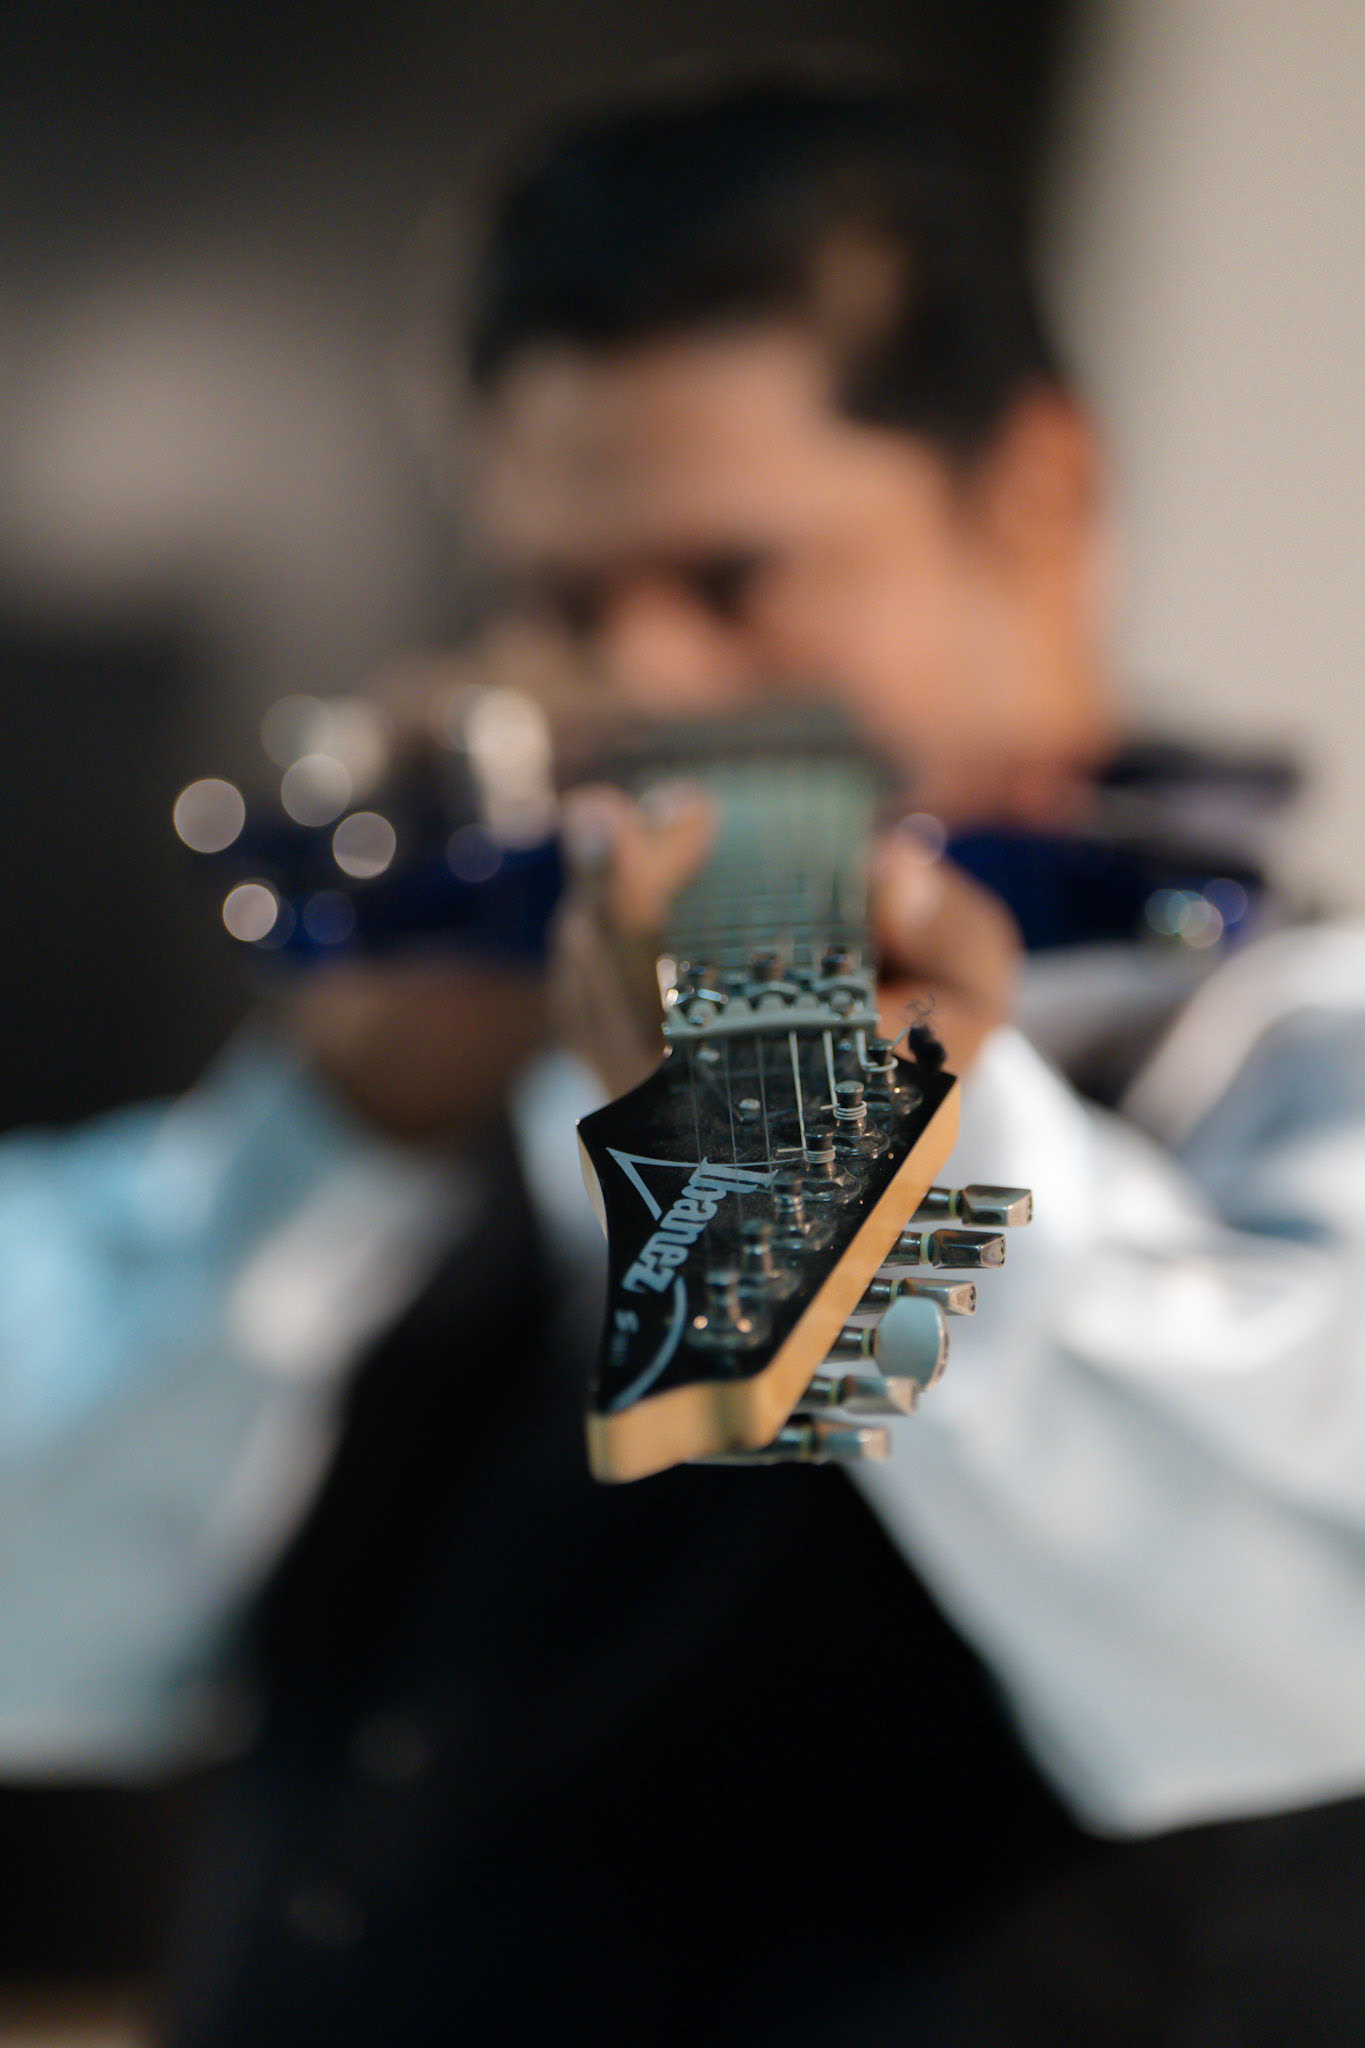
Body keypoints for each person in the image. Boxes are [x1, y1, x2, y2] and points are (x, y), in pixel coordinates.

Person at [6, 71, 1365, 2045]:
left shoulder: (1286, 1053)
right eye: (570, 600)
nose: (636, 686)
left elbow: (1298, 1655)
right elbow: (36, 1631)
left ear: (1033, 502)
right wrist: (328, 1136)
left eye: (734, 581)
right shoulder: (474, 1104)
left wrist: (815, 1126)